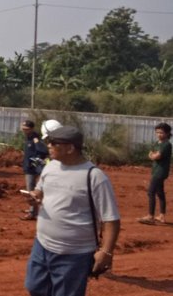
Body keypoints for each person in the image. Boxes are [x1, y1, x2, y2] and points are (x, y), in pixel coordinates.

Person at [24, 126, 120, 296]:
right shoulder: (51, 166)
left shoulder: (94, 176)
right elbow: (41, 189)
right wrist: (36, 195)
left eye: (54, 143)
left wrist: (106, 253)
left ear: (70, 148)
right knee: (35, 287)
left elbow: (111, 219)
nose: (49, 146)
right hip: (42, 245)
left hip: (74, 254)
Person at [138, 122, 171, 225]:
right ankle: (161, 216)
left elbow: (156, 156)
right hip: (156, 170)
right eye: (157, 132)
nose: (159, 134)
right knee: (160, 193)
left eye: (161, 132)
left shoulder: (167, 145)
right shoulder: (157, 143)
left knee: (151, 192)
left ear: (167, 133)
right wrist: (153, 155)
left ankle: (150, 216)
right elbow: (150, 153)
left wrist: (153, 155)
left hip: (160, 172)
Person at [20, 120, 48, 221]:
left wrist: (36, 160)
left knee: (31, 191)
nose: (24, 131)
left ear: (31, 129)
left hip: (32, 168)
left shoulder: (35, 138)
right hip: (28, 166)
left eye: (26, 129)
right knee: (30, 189)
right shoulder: (28, 137)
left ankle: (33, 212)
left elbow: (43, 151)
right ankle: (33, 210)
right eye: (23, 129)